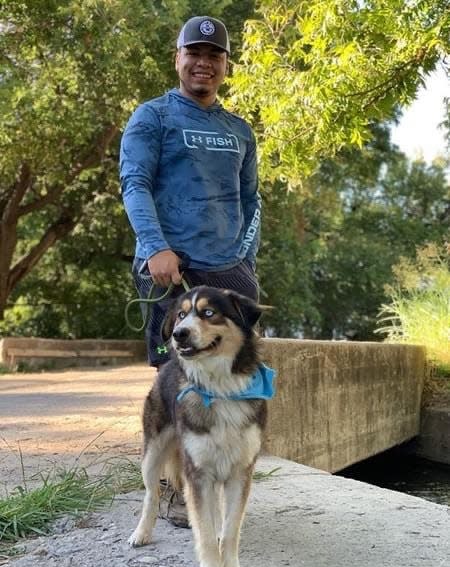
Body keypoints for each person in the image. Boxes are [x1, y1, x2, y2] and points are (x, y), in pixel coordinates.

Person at [119, 15, 262, 525]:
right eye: (194, 53)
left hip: (230, 269)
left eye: (214, 55)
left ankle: (230, 470)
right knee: (178, 381)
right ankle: (181, 490)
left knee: (239, 372)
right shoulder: (153, 117)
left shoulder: (238, 129)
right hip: (169, 267)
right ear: (178, 57)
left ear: (225, 64)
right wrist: (155, 246)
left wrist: (245, 258)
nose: (203, 62)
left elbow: (251, 200)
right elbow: (134, 183)